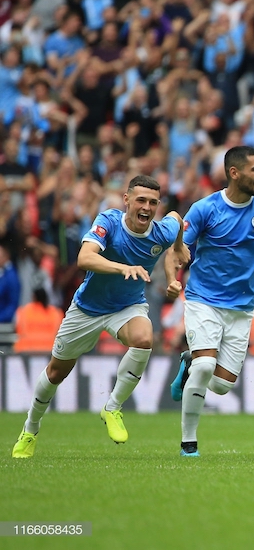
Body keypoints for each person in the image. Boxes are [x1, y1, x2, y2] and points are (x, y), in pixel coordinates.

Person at [12, 176, 189, 459]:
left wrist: (177, 249)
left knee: (144, 339)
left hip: (127, 306)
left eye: (153, 202)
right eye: (140, 200)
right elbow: (84, 258)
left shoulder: (162, 232)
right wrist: (122, 268)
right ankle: (30, 429)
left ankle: (112, 407)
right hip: (87, 309)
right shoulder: (109, 221)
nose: (146, 207)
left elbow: (177, 218)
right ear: (126, 200)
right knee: (56, 372)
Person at [166, 146, 254, 457]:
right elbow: (177, 246)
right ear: (234, 173)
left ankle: (187, 364)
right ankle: (188, 443)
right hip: (203, 300)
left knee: (222, 385)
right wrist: (173, 278)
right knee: (206, 365)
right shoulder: (206, 208)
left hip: (242, 307)